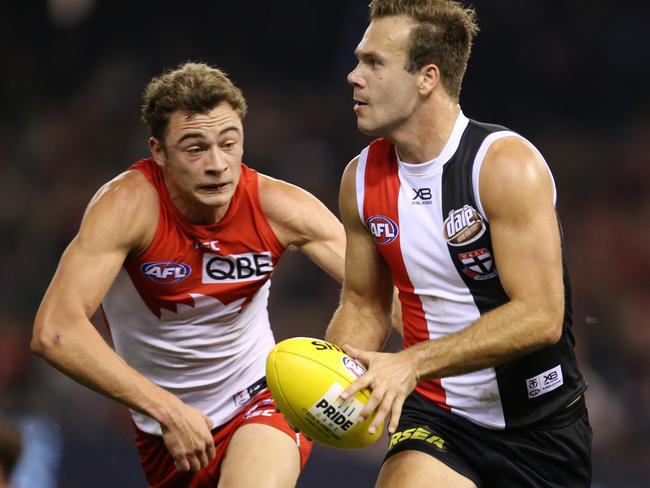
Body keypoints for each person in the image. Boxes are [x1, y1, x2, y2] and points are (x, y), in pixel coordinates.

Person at [31, 61, 347, 487]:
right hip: (164, 429)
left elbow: (382, 288)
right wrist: (166, 410)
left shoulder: (280, 207)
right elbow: (54, 331)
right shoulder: (127, 207)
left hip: (261, 397)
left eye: (229, 143)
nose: (218, 164)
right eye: (195, 148)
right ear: (158, 151)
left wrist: (407, 365)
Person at [325, 1, 592, 486]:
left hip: (541, 426)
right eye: (358, 60)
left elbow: (540, 315)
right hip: (437, 419)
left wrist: (410, 363)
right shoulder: (359, 180)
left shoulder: (504, 165)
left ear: (427, 78)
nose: (353, 76)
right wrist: (335, 378)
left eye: (373, 63)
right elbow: (364, 304)